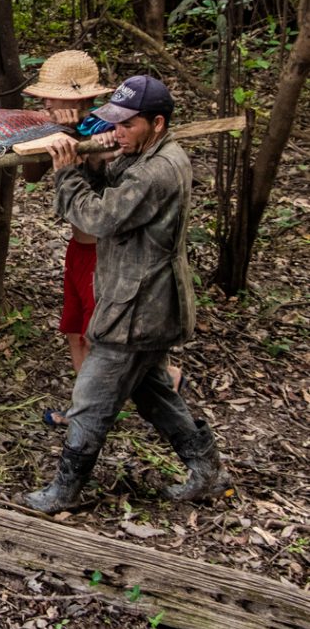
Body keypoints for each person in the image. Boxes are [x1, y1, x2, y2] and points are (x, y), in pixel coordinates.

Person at [23, 76, 234, 514]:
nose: (116, 132)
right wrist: (89, 161)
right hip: (143, 301)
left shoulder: (157, 171)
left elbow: (99, 217)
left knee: (90, 398)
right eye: (114, 123)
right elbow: (110, 180)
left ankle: (65, 490)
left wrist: (66, 173)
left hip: (140, 308)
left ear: (157, 123)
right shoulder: (148, 153)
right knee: (153, 392)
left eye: (126, 125)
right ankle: (208, 470)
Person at [22, 52, 181, 428]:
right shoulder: (55, 126)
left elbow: (107, 199)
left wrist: (85, 143)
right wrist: (51, 133)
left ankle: (110, 406)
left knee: (102, 337)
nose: (45, 102)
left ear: (77, 97)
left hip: (105, 255)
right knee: (76, 332)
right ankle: (85, 408)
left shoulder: (111, 128)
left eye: (52, 96)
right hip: (79, 248)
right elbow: (30, 174)